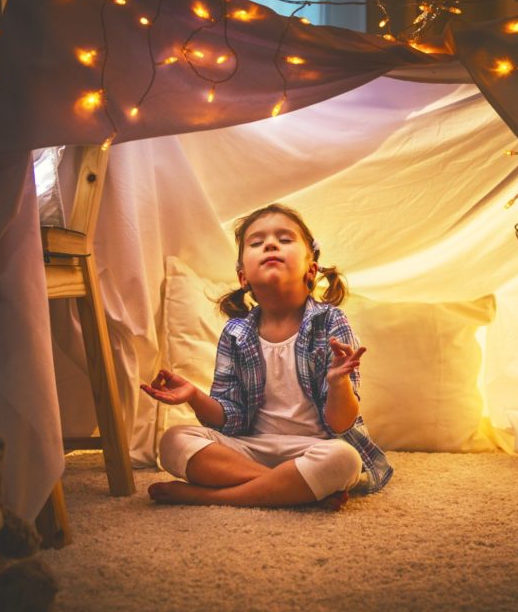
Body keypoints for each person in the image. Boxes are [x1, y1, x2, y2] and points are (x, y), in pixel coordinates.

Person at [141, 203, 391, 509]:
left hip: (315, 447)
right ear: (243, 276)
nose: (270, 244)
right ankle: (294, 490)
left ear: (310, 270)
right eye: (256, 243)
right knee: (173, 441)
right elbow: (230, 422)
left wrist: (338, 384)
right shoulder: (236, 332)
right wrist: (193, 395)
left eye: (284, 240)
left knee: (344, 459)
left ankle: (209, 496)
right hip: (250, 447)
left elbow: (341, 424)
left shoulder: (330, 321)